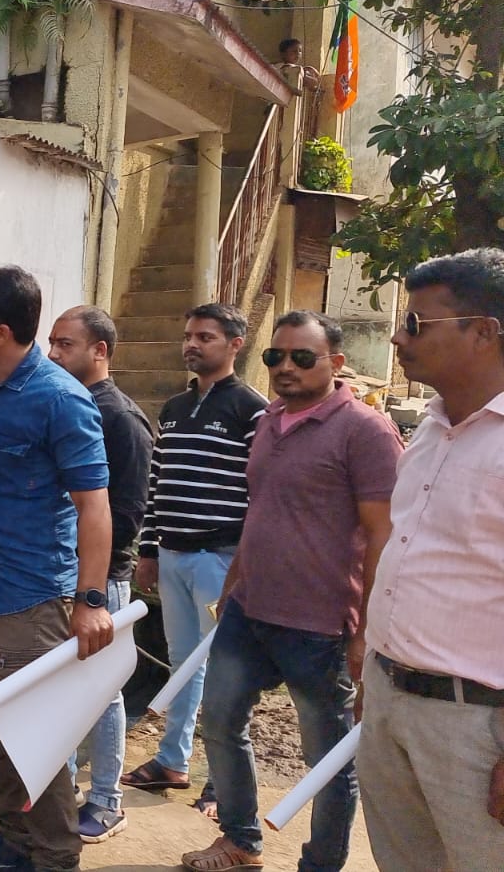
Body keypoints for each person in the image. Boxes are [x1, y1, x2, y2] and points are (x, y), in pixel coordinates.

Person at [180, 311, 402, 872]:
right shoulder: (269, 420)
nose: (286, 367)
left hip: (320, 624)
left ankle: (320, 864)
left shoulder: (365, 430)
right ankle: (240, 840)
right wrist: (233, 586)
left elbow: (384, 533)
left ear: (336, 362)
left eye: (302, 357)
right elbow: (261, 511)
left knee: (325, 760)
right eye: (275, 356)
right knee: (220, 720)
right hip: (249, 608)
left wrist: (367, 631)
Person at [0, 266, 115, 872]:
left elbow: (94, 507)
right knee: (1, 723)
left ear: (2, 332)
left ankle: (55, 856)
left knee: (39, 736)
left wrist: (90, 601)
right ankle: (12, 841)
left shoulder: (60, 399)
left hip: (32, 595)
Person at [360, 248, 504, 872]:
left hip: (477, 724)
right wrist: (374, 675)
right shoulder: (428, 429)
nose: (398, 337)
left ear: (484, 333)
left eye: (417, 323)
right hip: (390, 697)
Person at [123, 303, 268, 820]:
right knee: (184, 664)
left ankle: (221, 780)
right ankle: (172, 760)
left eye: (205, 337)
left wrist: (245, 567)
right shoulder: (174, 409)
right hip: (174, 555)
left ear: (234, 344)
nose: (192, 344)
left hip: (220, 560)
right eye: (189, 336)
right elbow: (157, 483)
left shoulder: (251, 410)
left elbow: (262, 492)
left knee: (226, 671)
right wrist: (148, 549)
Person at [47, 305, 154, 844]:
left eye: (65, 345)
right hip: (59, 573)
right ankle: (62, 786)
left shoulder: (121, 419)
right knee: (64, 688)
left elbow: (127, 513)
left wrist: (93, 584)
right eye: (51, 343)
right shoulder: (63, 404)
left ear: (100, 350)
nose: (53, 354)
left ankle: (107, 799)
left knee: (102, 690)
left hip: (101, 579)